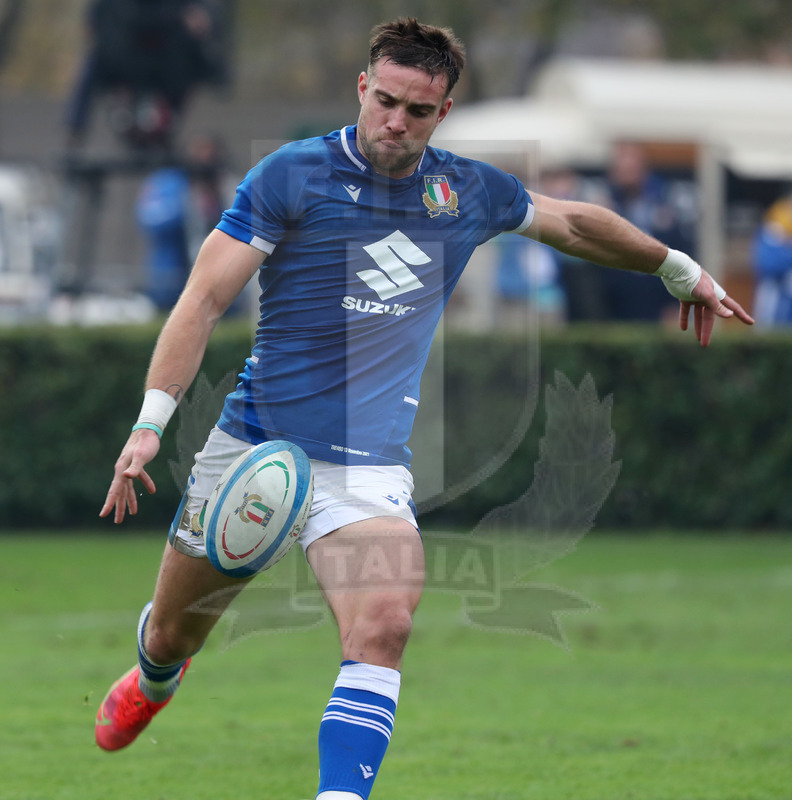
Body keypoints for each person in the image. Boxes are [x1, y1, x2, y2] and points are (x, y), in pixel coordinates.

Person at [96, 18, 753, 800]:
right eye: (386, 100)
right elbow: (203, 297)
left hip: (366, 469)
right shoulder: (290, 175)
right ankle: (156, 673)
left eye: (417, 110)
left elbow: (573, 221)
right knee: (177, 631)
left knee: (385, 628)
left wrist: (679, 267)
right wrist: (150, 424)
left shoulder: (465, 190)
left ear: (442, 113)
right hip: (255, 450)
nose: (395, 121)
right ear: (363, 88)